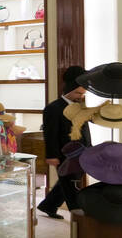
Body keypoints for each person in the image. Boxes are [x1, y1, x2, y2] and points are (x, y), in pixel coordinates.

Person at [37, 65, 91, 219]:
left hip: (82, 151)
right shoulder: (53, 108)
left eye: (83, 93)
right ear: (68, 90)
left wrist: (90, 148)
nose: (81, 96)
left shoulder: (80, 106)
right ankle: (78, 215)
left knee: (66, 182)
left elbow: (85, 130)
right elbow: (50, 134)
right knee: (70, 184)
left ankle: (48, 205)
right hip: (63, 153)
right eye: (78, 93)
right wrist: (52, 155)